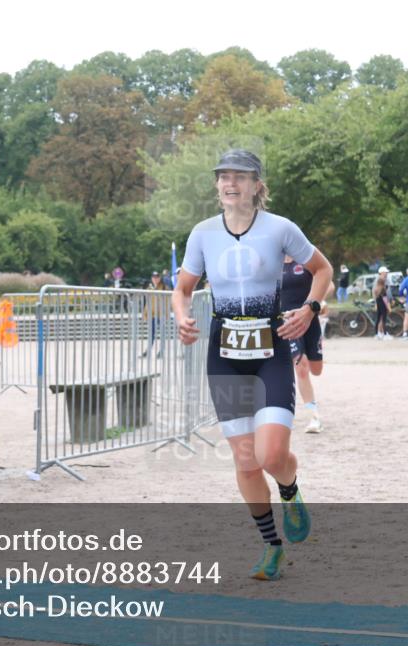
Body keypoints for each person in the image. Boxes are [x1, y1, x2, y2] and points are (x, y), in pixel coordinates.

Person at [173, 149, 333, 581]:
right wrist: (182, 316)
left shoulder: (280, 228)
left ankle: (290, 488)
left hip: (271, 350)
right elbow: (183, 287)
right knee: (245, 460)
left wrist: (311, 308)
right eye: (223, 177)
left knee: (271, 454)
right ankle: (271, 546)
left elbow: (323, 269)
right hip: (224, 356)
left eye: (239, 177)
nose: (230, 184)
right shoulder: (203, 234)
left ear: (257, 185)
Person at [281, 256, 335, 433]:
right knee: (301, 366)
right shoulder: (272, 261)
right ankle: (314, 416)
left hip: (310, 319)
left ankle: (313, 411)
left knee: (316, 370)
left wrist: (317, 301)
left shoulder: (304, 257)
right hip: (288, 321)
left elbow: (330, 285)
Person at [141, 271, 169, 358]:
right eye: (154, 277)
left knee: (162, 334)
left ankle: (161, 351)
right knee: (151, 334)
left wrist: (167, 314)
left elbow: (167, 302)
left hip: (161, 315)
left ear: (160, 278)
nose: (155, 279)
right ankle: (148, 350)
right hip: (152, 315)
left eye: (157, 277)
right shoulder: (149, 288)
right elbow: (147, 302)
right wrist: (145, 313)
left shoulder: (164, 288)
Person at [373, 267, 391, 340]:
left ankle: (377, 334)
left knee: (378, 318)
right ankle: (385, 334)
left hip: (378, 302)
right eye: (386, 272)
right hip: (383, 303)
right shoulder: (382, 285)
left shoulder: (376, 286)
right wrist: (388, 306)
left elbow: (375, 295)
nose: (387, 274)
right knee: (384, 319)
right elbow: (385, 297)